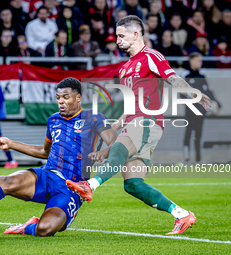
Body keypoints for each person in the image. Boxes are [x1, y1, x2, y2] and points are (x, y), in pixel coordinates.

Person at [66, 15, 211, 235]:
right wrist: (116, 125)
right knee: (132, 184)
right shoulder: (125, 69)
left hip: (147, 121)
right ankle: (182, 215)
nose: (117, 40)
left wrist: (193, 93)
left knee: (120, 148)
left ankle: (91, 185)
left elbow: (173, 78)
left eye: (121, 36)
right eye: (116, 36)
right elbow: (132, 103)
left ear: (136, 34)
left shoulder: (151, 56)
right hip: (134, 122)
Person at [0, 77, 117, 237]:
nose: (61, 101)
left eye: (66, 97)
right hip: (47, 175)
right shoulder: (53, 120)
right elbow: (44, 152)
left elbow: (115, 144)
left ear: (78, 98)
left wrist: (103, 153)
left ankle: (28, 227)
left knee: (45, 229)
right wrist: (11, 144)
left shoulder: (93, 117)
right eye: (58, 97)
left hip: (72, 187)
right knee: (6, 181)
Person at [181, 52, 221, 162]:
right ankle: (186, 158)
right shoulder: (186, 75)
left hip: (201, 111)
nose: (200, 63)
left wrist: (216, 102)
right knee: (188, 132)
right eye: (198, 60)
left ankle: (198, 159)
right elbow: (182, 93)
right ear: (191, 61)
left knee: (198, 134)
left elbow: (208, 91)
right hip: (190, 111)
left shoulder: (202, 76)